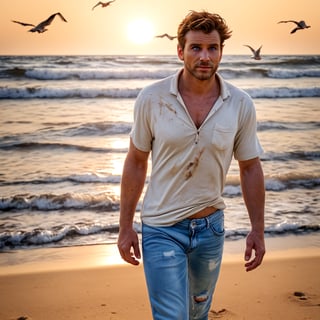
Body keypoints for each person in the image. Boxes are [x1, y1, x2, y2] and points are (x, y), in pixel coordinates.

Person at [117, 10, 265, 320]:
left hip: (211, 229)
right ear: (180, 50)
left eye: (212, 48)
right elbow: (136, 161)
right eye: (196, 47)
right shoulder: (152, 98)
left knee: (197, 313)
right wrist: (125, 226)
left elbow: (250, 167)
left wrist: (257, 230)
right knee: (172, 316)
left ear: (221, 52)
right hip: (161, 227)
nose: (205, 56)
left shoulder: (239, 104)